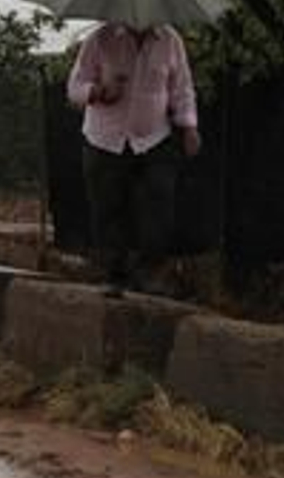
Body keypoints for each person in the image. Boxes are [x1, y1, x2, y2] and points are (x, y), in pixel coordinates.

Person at [67, 21, 200, 295]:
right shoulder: (100, 39)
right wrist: (98, 92)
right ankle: (115, 274)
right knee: (108, 209)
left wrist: (189, 127)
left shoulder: (170, 40)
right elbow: (75, 87)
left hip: (153, 136)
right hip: (104, 138)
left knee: (158, 202)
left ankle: (149, 273)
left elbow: (182, 87)